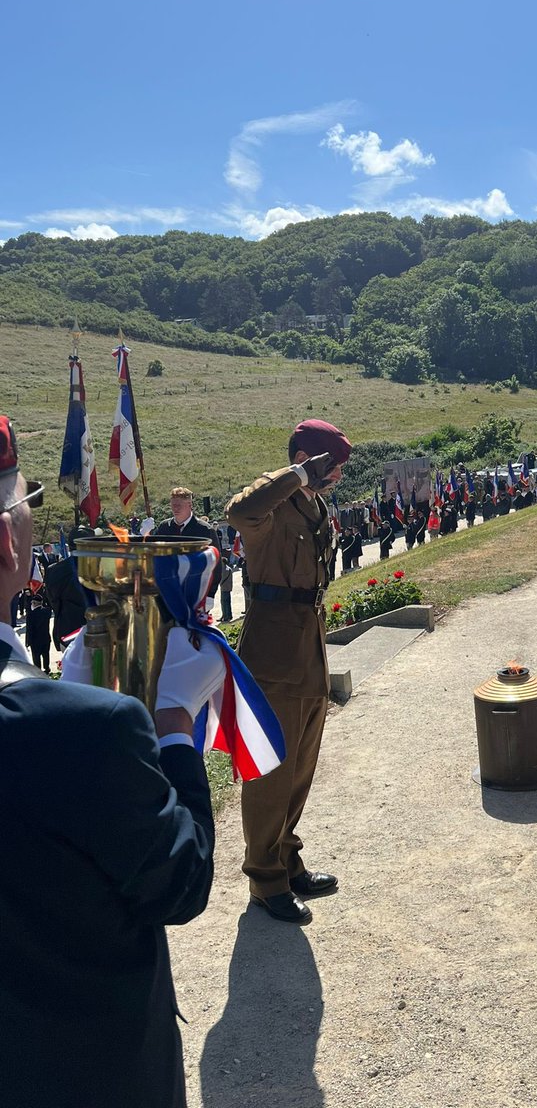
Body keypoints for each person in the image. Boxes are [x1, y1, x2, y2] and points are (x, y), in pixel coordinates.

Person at [0, 415, 218, 1108]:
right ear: (7, 539)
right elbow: (181, 883)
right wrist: (175, 723)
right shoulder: (81, 734)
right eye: (27, 506)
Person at [225, 418, 350, 924]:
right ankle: (264, 879)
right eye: (329, 465)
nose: (336, 475)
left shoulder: (315, 506)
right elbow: (239, 511)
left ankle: (286, 857)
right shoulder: (272, 503)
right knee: (271, 773)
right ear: (305, 457)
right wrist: (296, 474)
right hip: (273, 654)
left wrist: (309, 483)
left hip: (309, 647)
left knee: (299, 769)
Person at [24, 592, 52, 673]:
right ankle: (47, 668)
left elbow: (29, 629)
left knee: (36, 657)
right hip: (46, 638)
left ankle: (38, 671)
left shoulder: (31, 614)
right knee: (46, 654)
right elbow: (49, 604)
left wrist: (27, 642)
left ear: (34, 603)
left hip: (35, 640)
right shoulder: (47, 612)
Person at [218, 554, 234, 623]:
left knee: (224, 602)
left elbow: (220, 579)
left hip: (224, 588)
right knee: (228, 602)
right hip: (228, 587)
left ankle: (225, 616)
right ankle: (228, 615)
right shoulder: (229, 569)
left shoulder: (223, 570)